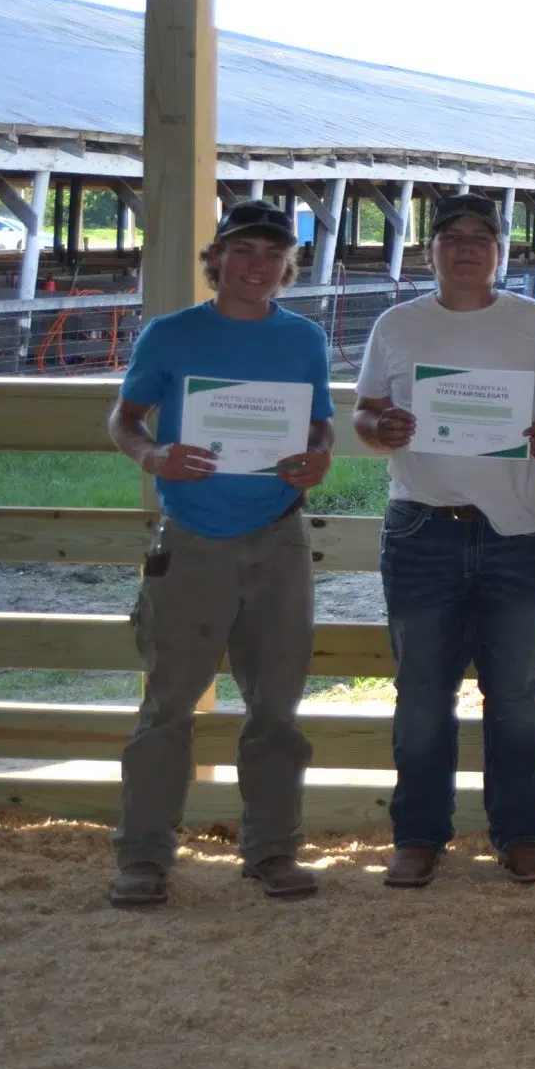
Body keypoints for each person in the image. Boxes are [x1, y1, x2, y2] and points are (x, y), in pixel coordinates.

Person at [104, 200, 335, 908]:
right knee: (169, 704)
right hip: (194, 537)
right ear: (217, 258)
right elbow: (124, 417)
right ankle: (143, 856)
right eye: (244, 252)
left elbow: (321, 426)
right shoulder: (171, 335)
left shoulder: (304, 340)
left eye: (271, 255)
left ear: (286, 267)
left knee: (277, 708)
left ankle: (271, 848)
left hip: (279, 537)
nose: (256, 267)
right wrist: (153, 455)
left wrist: (319, 459)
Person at [353, 193, 535, 890]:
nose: (464, 248)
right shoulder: (397, 326)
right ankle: (418, 835)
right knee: (422, 692)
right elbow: (365, 411)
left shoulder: (534, 321)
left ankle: (521, 834)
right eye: (450, 237)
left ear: (500, 250)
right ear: (430, 251)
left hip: (517, 531)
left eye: (479, 237)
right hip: (423, 525)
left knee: (516, 692)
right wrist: (381, 428)